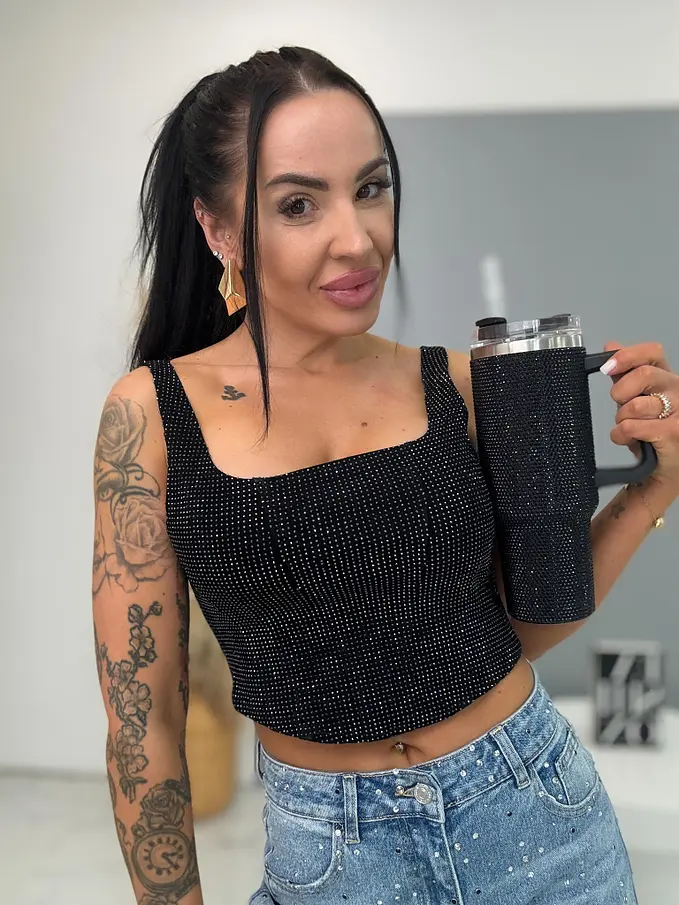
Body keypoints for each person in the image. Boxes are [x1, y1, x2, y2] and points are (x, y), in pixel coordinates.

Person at [91, 46, 679, 905]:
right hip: (332, 859)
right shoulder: (151, 416)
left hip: (540, 821)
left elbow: (525, 621)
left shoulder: (460, 384)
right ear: (217, 230)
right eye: (299, 204)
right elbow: (142, 722)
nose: (357, 237)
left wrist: (652, 486)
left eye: (371, 188)